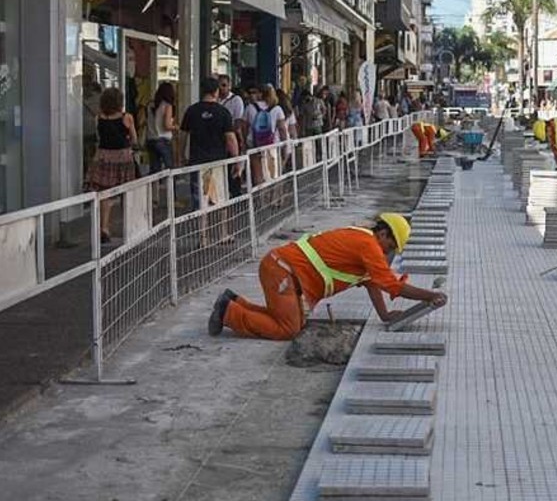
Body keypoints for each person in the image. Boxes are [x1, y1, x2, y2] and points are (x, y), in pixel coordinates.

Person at [210, 213, 448, 340]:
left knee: (291, 321)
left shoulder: (363, 240)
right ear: (383, 233)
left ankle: (234, 302)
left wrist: (384, 314)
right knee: (287, 329)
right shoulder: (369, 245)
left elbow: (373, 283)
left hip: (282, 269)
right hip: (282, 271)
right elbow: (391, 285)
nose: (389, 252)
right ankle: (228, 313)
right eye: (391, 246)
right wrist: (430, 296)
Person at [86, 87, 139, 242]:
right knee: (126, 192)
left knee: (105, 193)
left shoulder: (99, 118)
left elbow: (99, 138)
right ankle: (128, 226)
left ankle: (104, 228)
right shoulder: (127, 117)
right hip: (123, 157)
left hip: (103, 157)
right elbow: (134, 139)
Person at [181, 79, 240, 210]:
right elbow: (230, 138)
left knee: (200, 200)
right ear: (216, 92)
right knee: (220, 199)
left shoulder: (191, 111)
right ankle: (222, 223)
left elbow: (183, 136)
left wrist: (181, 155)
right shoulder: (223, 112)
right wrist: (236, 160)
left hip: (197, 160)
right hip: (218, 161)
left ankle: (202, 224)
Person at [145, 82, 177, 173]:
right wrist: (175, 127)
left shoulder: (150, 105)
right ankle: (168, 183)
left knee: (154, 170)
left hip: (151, 139)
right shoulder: (167, 105)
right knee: (169, 169)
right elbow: (167, 125)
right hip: (163, 140)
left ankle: (155, 183)